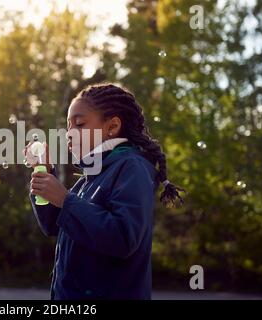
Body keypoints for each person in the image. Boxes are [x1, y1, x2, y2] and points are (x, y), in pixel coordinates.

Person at [23, 82, 185, 300]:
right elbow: (53, 224)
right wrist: (45, 171)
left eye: (79, 124)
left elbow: (123, 238)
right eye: (68, 126)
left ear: (112, 127)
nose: (69, 133)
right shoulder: (90, 176)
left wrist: (65, 199)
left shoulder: (131, 168)